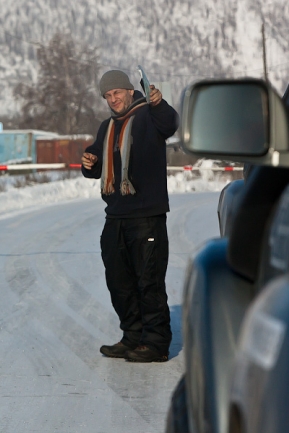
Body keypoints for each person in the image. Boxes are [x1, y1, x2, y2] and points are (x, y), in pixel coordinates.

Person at [81, 70, 179, 362]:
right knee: (119, 282)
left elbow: (170, 123)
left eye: (117, 93)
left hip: (147, 215)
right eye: (108, 96)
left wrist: (158, 103)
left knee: (148, 282)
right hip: (116, 216)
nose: (113, 99)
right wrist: (90, 160)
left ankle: (156, 344)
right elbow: (96, 165)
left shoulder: (149, 116)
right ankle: (133, 337)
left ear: (128, 91)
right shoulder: (106, 127)